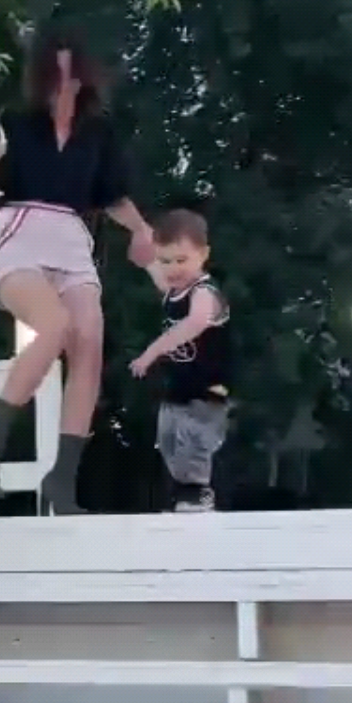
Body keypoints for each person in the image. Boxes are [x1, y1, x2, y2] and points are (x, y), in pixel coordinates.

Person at [0, 29, 155, 512]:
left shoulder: (98, 131)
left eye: (73, 75)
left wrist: (142, 230)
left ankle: (63, 478)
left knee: (89, 341)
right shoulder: (14, 121)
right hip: (20, 232)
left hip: (72, 240)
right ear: (42, 77)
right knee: (54, 327)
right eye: (57, 74)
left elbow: (111, 195)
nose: (65, 84)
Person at [130, 208, 231, 512]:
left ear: (203, 255)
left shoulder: (205, 293)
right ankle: (186, 492)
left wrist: (152, 352)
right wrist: (143, 249)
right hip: (178, 387)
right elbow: (152, 266)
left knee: (194, 438)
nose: (173, 270)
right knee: (169, 440)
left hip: (208, 389)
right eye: (166, 261)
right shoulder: (173, 290)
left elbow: (194, 324)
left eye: (181, 261)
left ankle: (198, 492)